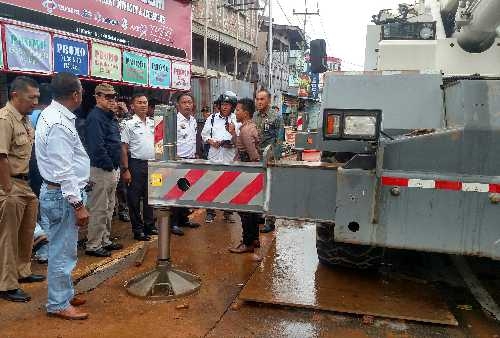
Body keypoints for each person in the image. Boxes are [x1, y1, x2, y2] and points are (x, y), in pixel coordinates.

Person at [36, 72, 89, 320]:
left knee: (64, 248)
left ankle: (63, 294)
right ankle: (58, 303)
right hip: (63, 195)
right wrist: (78, 204)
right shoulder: (58, 123)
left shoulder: (54, 114)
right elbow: (64, 169)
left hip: (59, 193)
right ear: (76, 94)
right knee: (62, 250)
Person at [0, 76, 44, 303]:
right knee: (8, 237)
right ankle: (6, 284)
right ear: (15, 95)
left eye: (37, 97)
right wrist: (7, 189)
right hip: (10, 184)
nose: (36, 101)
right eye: (31, 97)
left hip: (25, 184)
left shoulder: (25, 120)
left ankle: (22, 271)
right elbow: (1, 157)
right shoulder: (4, 119)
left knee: (26, 232)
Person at [84, 83, 123, 257]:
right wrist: (109, 164)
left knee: (109, 208)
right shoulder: (95, 117)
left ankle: (104, 240)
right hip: (101, 169)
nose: (111, 100)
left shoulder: (110, 116)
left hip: (112, 169)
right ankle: (93, 245)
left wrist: (115, 166)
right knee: (99, 209)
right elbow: (97, 147)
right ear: (97, 97)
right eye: (106, 96)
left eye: (113, 96)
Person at [120, 93, 159, 241]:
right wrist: (125, 169)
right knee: (134, 199)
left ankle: (150, 225)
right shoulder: (127, 124)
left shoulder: (153, 123)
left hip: (153, 165)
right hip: (136, 164)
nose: (143, 105)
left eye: (145, 102)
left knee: (151, 197)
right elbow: (123, 148)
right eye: (139, 102)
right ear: (132, 106)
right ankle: (138, 229)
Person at [228, 98, 261, 253]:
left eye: (238, 110)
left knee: (245, 209)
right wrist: (233, 133)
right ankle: (254, 239)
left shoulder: (246, 130)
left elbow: (253, 155)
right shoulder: (247, 127)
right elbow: (240, 145)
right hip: (249, 171)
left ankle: (248, 242)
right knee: (252, 209)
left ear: (246, 113)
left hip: (247, 171)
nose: (236, 112)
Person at [201, 91, 239, 224]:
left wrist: (231, 141)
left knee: (229, 185)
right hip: (214, 155)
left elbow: (240, 139)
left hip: (229, 156)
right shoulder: (211, 118)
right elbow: (204, 135)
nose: (224, 107)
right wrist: (211, 142)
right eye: (223, 104)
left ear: (232, 106)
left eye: (228, 104)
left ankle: (227, 213)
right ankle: (210, 212)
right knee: (210, 184)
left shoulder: (236, 119)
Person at [254, 89, 284, 233]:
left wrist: (275, 159)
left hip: (270, 158)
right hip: (257, 157)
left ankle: (270, 220)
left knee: (270, 189)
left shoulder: (276, 117)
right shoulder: (255, 115)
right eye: (257, 99)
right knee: (259, 187)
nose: (259, 102)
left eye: (262, 99)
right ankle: (261, 214)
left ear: (269, 101)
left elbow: (279, 139)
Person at [170, 93, 201, 236]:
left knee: (186, 192)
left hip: (190, 160)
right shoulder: (173, 120)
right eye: (184, 102)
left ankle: (184, 219)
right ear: (178, 105)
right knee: (176, 193)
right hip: (178, 160)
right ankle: (173, 223)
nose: (188, 105)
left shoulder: (193, 120)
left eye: (190, 102)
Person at [112, 100, 130, 222]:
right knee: (111, 187)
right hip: (112, 157)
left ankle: (123, 210)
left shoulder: (125, 121)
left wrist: (126, 111)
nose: (117, 109)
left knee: (122, 188)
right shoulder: (108, 119)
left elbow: (131, 122)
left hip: (122, 157)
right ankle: (112, 209)